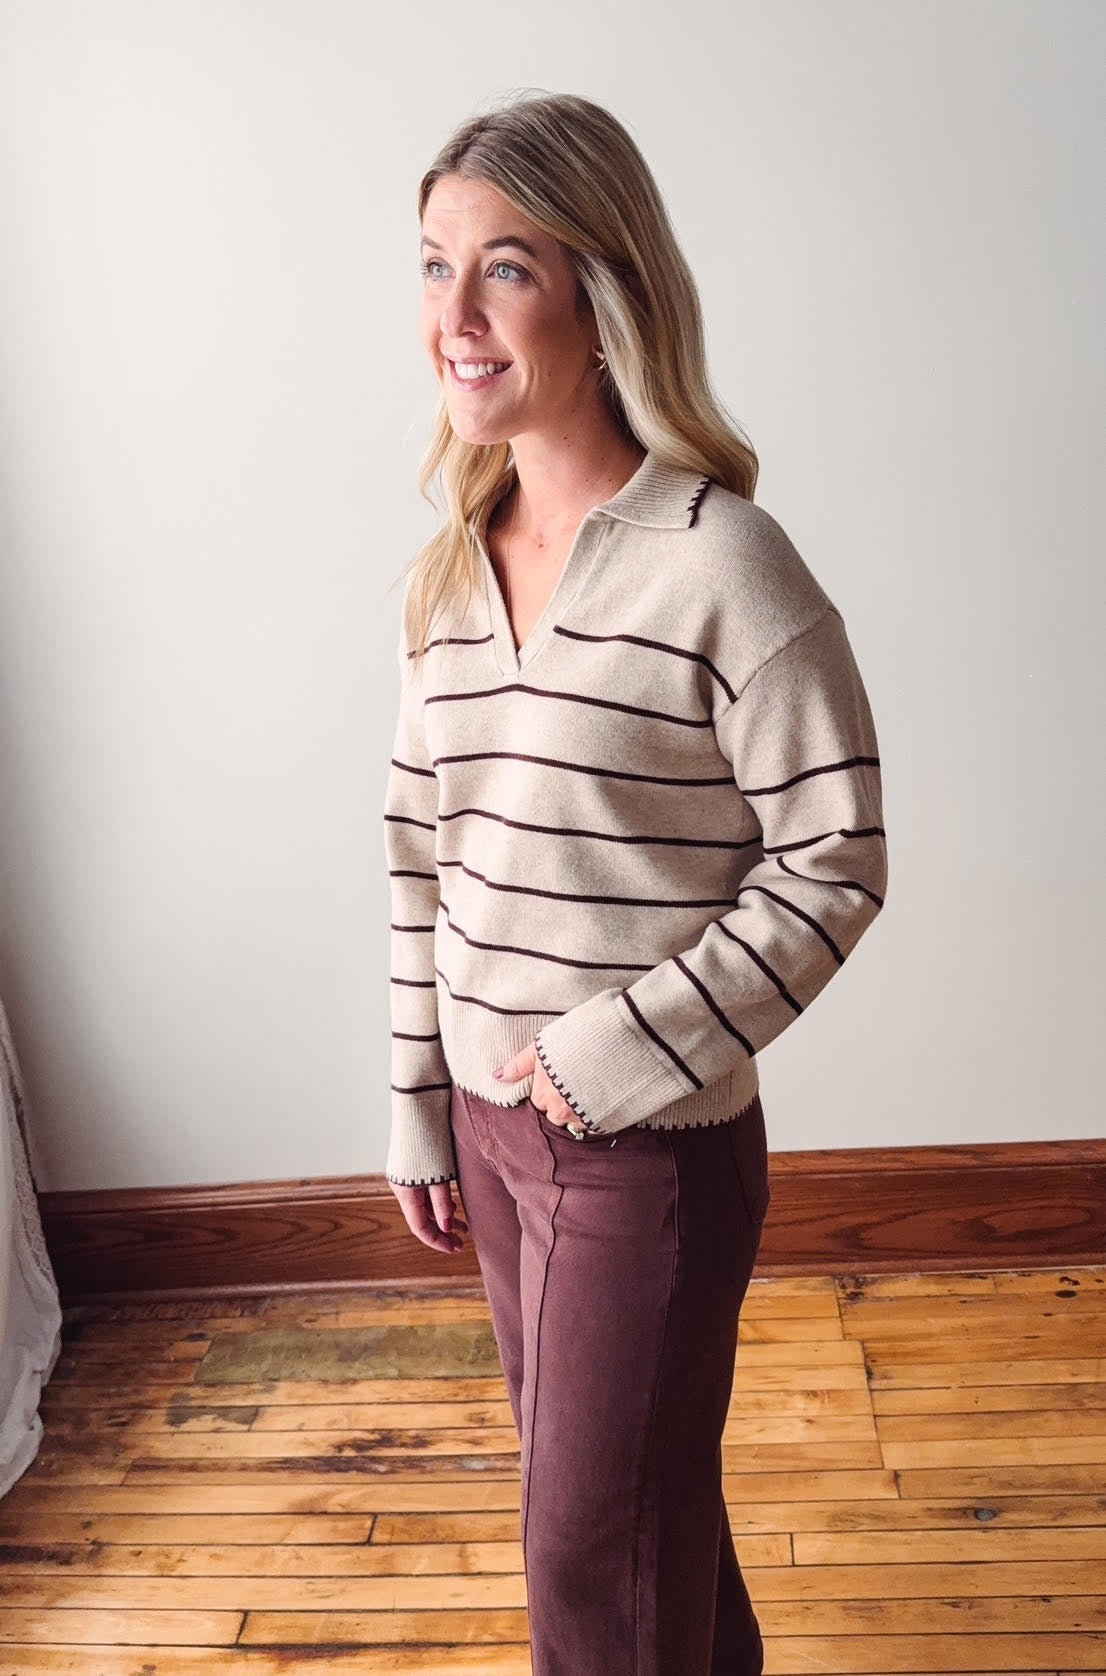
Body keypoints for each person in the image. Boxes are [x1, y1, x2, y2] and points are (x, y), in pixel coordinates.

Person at [383, 89, 888, 1676]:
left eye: (505, 269)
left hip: (643, 1146)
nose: (454, 318)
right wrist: (420, 1094)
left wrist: (602, 1059)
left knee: (586, 1539)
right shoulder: (449, 569)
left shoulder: (721, 563)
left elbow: (834, 861)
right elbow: (420, 857)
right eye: (432, 266)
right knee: (630, 1511)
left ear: (603, 294)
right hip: (490, 1132)